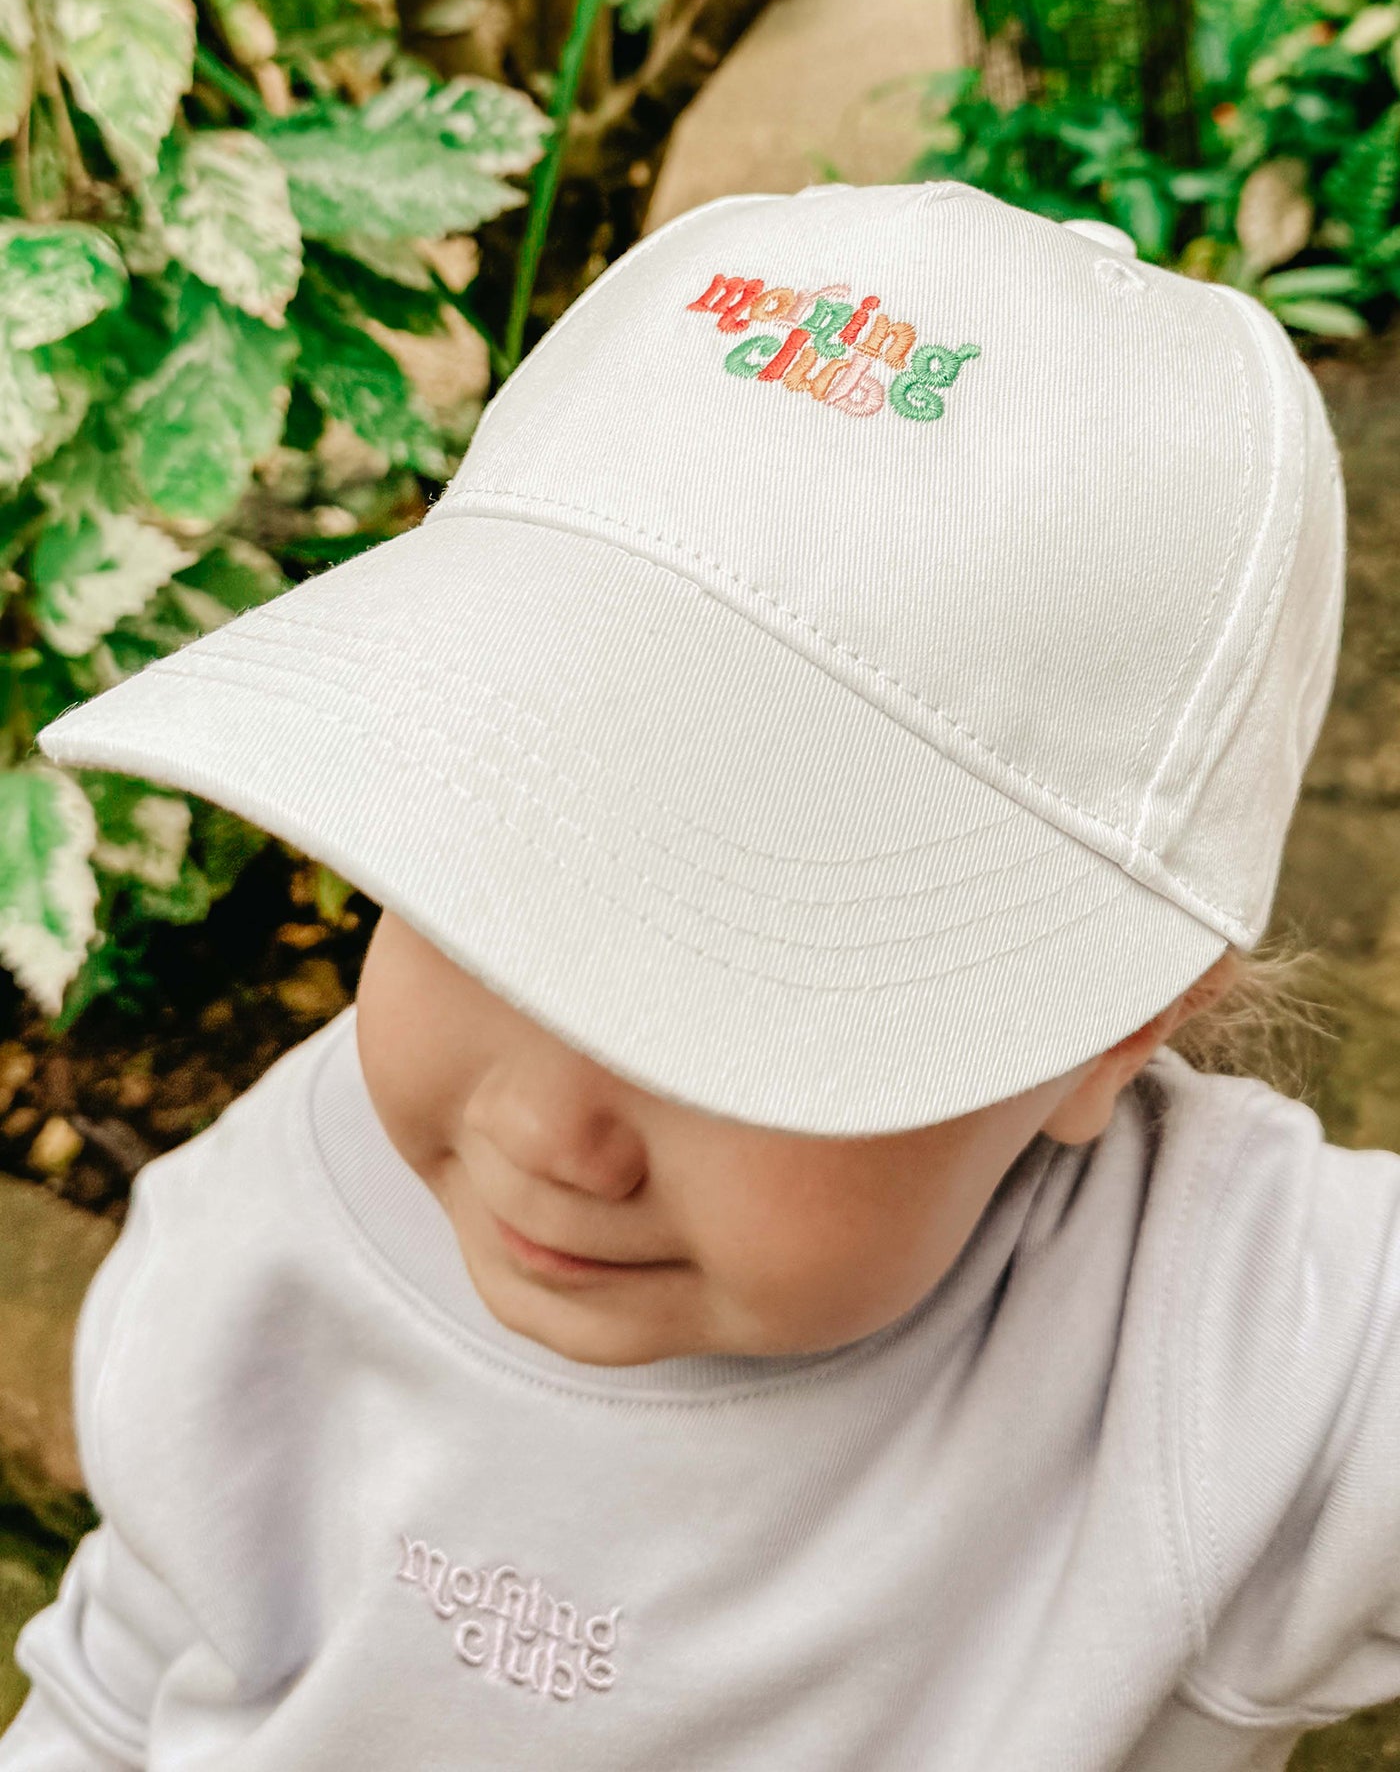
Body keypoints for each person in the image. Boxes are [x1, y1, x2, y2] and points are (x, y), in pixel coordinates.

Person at [2, 181, 1395, 1772]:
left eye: (737, 1002)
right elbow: (119, 1690)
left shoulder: (1221, 1354)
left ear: (1115, 1035)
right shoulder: (260, 1229)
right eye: (483, 870)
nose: (548, 1131)